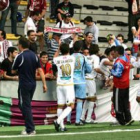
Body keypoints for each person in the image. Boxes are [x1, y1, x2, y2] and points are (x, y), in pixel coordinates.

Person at [11, 37, 47, 135]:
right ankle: (29, 126)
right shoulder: (35, 56)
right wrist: (44, 84)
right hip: (33, 83)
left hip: (24, 84)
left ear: (20, 45)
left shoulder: (20, 56)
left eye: (18, 44)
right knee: (24, 105)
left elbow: (13, 70)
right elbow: (40, 70)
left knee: (25, 106)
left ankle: (30, 128)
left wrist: (20, 70)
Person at [53, 43, 75, 132]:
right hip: (68, 85)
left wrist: (59, 47)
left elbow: (54, 57)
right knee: (71, 106)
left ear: (61, 51)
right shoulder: (72, 58)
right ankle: (58, 121)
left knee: (60, 106)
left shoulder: (57, 59)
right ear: (68, 50)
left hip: (59, 85)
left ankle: (62, 126)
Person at [111, 46, 134, 126]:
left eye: (115, 51)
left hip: (119, 85)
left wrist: (111, 70)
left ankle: (121, 121)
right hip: (126, 84)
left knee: (117, 103)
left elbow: (117, 74)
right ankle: (128, 119)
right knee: (125, 102)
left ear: (117, 52)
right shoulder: (126, 57)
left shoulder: (119, 62)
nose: (114, 53)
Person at [72, 41, 92, 125]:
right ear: (80, 48)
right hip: (81, 81)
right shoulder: (84, 57)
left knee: (71, 101)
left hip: (71, 81)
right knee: (79, 101)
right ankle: (77, 121)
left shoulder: (70, 57)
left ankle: (68, 120)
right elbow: (89, 70)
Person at [80, 45, 100, 124]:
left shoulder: (87, 57)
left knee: (87, 99)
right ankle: (88, 118)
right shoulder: (96, 58)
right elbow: (96, 68)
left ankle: (82, 117)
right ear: (97, 51)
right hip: (90, 79)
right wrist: (105, 73)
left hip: (84, 78)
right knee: (92, 99)